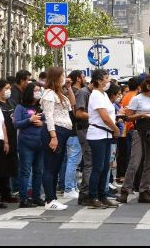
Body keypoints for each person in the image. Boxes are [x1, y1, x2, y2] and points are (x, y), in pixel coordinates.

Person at [118, 75, 150, 204]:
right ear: (148, 86)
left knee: (149, 163)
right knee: (135, 161)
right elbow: (128, 116)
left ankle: (144, 190)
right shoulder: (137, 99)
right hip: (140, 131)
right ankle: (125, 190)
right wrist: (142, 115)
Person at [41, 67, 76, 211]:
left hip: (63, 131)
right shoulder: (49, 94)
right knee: (50, 166)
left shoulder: (60, 93)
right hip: (54, 131)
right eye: (62, 76)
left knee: (56, 166)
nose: (65, 78)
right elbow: (48, 116)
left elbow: (72, 104)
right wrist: (53, 136)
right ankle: (49, 199)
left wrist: (68, 87)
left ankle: (53, 197)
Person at [87, 77, 121, 209]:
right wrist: (115, 128)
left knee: (106, 167)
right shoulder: (95, 95)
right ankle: (93, 196)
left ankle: (102, 195)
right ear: (99, 80)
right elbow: (104, 116)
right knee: (98, 167)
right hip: (97, 135)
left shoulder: (104, 94)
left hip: (106, 134)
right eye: (106, 78)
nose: (108, 81)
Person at [14, 83, 45, 208]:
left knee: (39, 171)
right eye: (35, 90)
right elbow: (17, 124)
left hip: (40, 143)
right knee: (25, 171)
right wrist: (30, 120)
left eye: (39, 90)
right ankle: (23, 198)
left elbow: (48, 120)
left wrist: (42, 123)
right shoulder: (20, 107)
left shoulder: (41, 107)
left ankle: (36, 196)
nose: (38, 92)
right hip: (26, 143)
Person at [74, 69, 101, 206]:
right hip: (85, 130)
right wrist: (97, 116)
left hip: (95, 131)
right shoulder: (84, 93)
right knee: (89, 162)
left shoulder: (97, 94)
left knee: (95, 162)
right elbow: (79, 113)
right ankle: (85, 193)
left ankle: (93, 191)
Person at [60, 70, 84, 200]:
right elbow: (75, 108)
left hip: (71, 131)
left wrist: (68, 88)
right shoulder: (67, 94)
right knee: (73, 161)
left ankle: (72, 186)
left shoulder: (69, 92)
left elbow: (73, 104)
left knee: (73, 161)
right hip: (72, 131)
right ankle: (69, 188)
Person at [0, 79, 18, 202]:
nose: (8, 91)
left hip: (13, 138)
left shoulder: (12, 102)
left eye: (9, 88)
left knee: (9, 167)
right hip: (0, 138)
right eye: (6, 88)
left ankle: (6, 193)